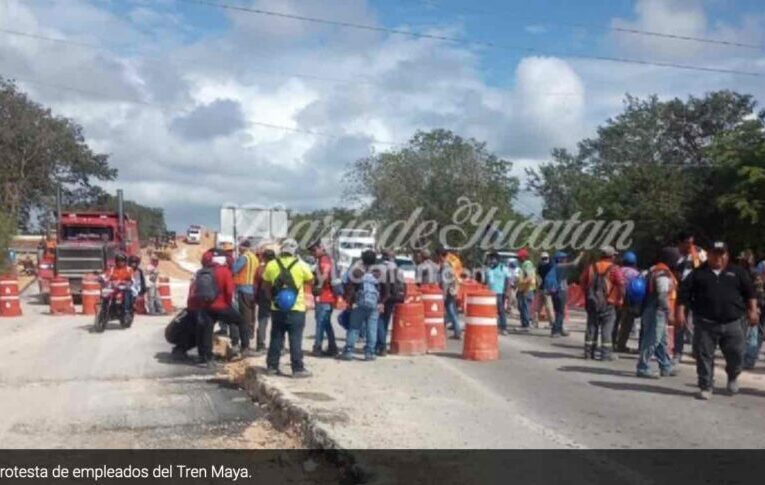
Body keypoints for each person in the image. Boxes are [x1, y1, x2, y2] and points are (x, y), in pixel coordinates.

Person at [677, 241, 759, 400]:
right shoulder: (697, 273)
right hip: (705, 323)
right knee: (703, 356)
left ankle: (733, 376)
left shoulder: (738, 272)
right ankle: (706, 386)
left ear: (727, 255)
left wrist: (753, 310)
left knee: (736, 354)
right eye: (714, 253)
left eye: (721, 254)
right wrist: (680, 313)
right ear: (708, 255)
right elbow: (683, 295)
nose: (718, 257)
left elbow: (750, 293)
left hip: (733, 322)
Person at [261, 238, 314, 377]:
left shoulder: (271, 265)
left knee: (276, 338)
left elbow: (265, 286)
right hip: (297, 308)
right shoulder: (302, 265)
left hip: (277, 308)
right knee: (295, 339)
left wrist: (272, 299)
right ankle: (297, 369)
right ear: (294, 250)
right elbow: (310, 280)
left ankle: (272, 366)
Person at [201, 249, 253, 361]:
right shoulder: (224, 271)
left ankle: (206, 357)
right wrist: (228, 304)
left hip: (206, 307)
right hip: (221, 305)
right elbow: (229, 291)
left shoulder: (204, 270)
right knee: (241, 321)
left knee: (207, 330)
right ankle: (244, 347)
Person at [636, 247, 680, 379]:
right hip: (658, 310)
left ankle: (665, 366)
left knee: (661, 340)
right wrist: (669, 312)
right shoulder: (663, 273)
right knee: (652, 339)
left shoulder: (653, 269)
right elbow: (662, 295)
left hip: (652, 309)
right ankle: (642, 367)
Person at [340, 249, 386, 361]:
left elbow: (350, 287)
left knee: (354, 327)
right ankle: (369, 353)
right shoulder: (378, 273)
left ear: (363, 259)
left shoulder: (357, 272)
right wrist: (381, 302)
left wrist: (350, 302)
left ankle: (349, 351)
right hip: (374, 304)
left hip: (359, 303)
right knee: (372, 329)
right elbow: (385, 288)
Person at [580, 245, 625, 361]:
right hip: (608, 303)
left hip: (592, 302)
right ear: (611, 256)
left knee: (591, 326)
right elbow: (621, 285)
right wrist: (620, 299)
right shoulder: (614, 269)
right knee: (607, 328)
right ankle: (605, 355)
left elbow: (582, 282)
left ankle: (589, 353)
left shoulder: (591, 267)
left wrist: (589, 296)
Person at [674, 231, 708, 365]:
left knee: (697, 323)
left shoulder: (700, 253)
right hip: (681, 293)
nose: (690, 245)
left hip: (697, 293)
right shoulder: (675, 254)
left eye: (691, 242)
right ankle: (677, 352)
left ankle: (696, 351)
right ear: (680, 243)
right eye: (687, 243)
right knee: (679, 322)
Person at [309, 241, 339, 357]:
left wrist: (318, 284)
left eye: (314, 250)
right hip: (327, 297)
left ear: (320, 248)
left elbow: (325, 275)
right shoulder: (324, 259)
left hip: (324, 297)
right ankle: (332, 347)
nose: (313, 253)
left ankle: (317, 347)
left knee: (320, 324)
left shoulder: (324, 260)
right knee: (326, 324)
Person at [232, 240, 259, 353]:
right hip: (252, 290)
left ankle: (244, 344)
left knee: (242, 317)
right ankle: (248, 338)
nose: (239, 248)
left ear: (244, 247)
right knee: (250, 316)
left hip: (242, 289)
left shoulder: (244, 258)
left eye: (240, 246)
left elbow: (234, 269)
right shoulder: (254, 258)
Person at [614, 251, 642, 353]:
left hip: (616, 299)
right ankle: (621, 345)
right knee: (626, 325)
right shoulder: (637, 273)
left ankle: (611, 343)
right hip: (630, 301)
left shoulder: (618, 270)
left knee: (614, 322)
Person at [742, 250, 765, 369]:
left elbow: (759, 292)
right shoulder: (741, 272)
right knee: (749, 334)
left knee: (753, 334)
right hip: (746, 307)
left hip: (755, 307)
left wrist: (757, 308)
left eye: (744, 260)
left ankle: (749, 360)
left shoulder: (754, 273)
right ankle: (746, 358)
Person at [377, 250, 402, 356]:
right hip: (392, 298)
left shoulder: (379, 268)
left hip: (381, 298)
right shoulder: (397, 269)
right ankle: (381, 345)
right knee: (385, 321)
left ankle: (381, 346)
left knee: (379, 321)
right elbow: (401, 284)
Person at [436, 248, 461, 339]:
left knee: (450, 311)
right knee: (450, 311)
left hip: (448, 292)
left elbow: (445, 281)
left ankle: (457, 332)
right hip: (452, 291)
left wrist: (443, 294)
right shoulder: (449, 264)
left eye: (438, 256)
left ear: (440, 255)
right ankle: (454, 330)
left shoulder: (446, 265)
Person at [254, 248, 276, 353]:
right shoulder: (278, 267)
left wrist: (256, 297)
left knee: (262, 321)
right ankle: (278, 345)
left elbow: (256, 285)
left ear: (264, 257)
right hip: (276, 296)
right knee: (277, 322)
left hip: (263, 296)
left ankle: (260, 345)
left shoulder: (260, 269)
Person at [549, 251, 574, 338]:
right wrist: (581, 255)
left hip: (554, 291)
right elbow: (575, 263)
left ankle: (559, 328)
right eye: (564, 258)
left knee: (558, 311)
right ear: (560, 259)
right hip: (560, 291)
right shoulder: (559, 266)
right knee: (560, 312)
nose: (566, 259)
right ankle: (556, 330)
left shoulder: (553, 266)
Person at [485, 252, 511, 335]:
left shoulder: (503, 268)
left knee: (501, 310)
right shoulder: (489, 269)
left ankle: (503, 327)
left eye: (493, 259)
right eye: (490, 259)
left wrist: (507, 290)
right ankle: (491, 326)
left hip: (499, 293)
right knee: (490, 310)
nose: (491, 261)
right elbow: (487, 281)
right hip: (490, 293)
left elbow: (508, 280)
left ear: (497, 259)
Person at [516, 248, 537, 331]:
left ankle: (526, 325)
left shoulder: (527, 264)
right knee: (521, 307)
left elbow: (529, 277)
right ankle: (525, 323)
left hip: (527, 290)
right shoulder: (524, 264)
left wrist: (525, 288)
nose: (518, 259)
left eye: (519, 257)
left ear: (523, 257)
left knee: (525, 307)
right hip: (523, 289)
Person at [534, 252, 556, 328]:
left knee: (537, 307)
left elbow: (537, 275)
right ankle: (552, 323)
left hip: (541, 288)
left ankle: (535, 322)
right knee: (549, 307)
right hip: (547, 289)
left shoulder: (540, 267)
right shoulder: (550, 266)